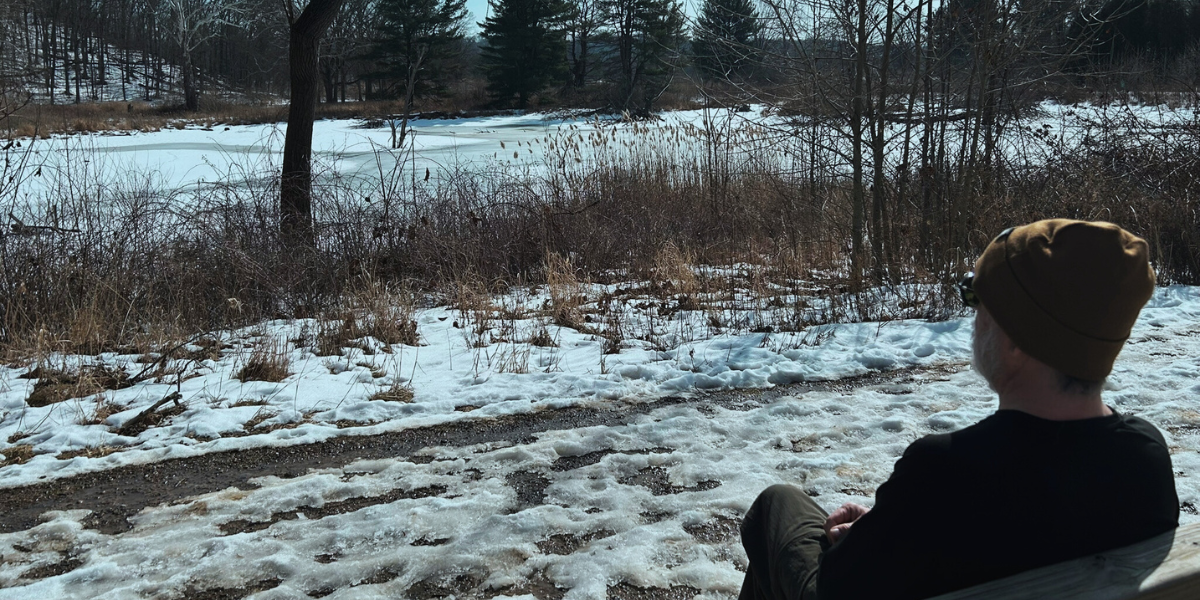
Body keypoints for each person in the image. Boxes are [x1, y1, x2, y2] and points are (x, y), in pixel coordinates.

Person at [739, 219, 1180, 600]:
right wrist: (890, 528)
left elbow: (837, 590)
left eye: (979, 301)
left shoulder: (942, 473)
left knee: (778, 506)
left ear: (1015, 341)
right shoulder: (1144, 457)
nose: (974, 322)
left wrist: (873, 536)